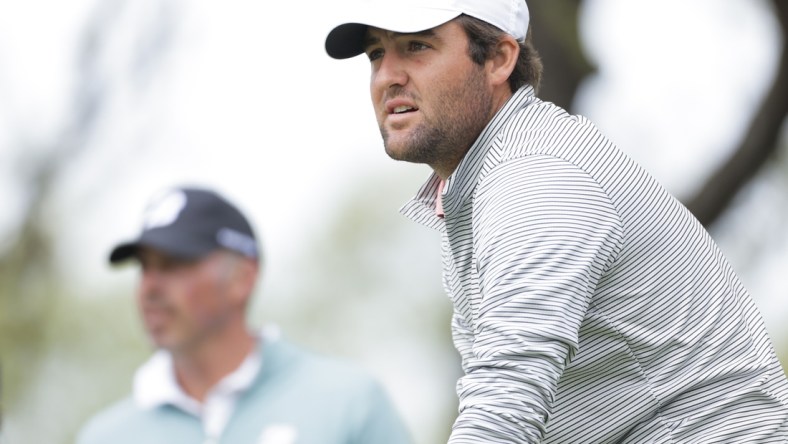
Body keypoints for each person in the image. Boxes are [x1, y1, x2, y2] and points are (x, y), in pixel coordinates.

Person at [324, 1, 788, 442]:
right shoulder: (490, 178)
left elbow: (504, 406)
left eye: (417, 47)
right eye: (376, 54)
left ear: (500, 59)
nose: (387, 76)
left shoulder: (538, 177)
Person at [76, 186, 412, 444]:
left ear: (242, 278)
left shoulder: (349, 403)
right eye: (144, 268)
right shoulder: (105, 436)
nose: (149, 287)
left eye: (173, 264)